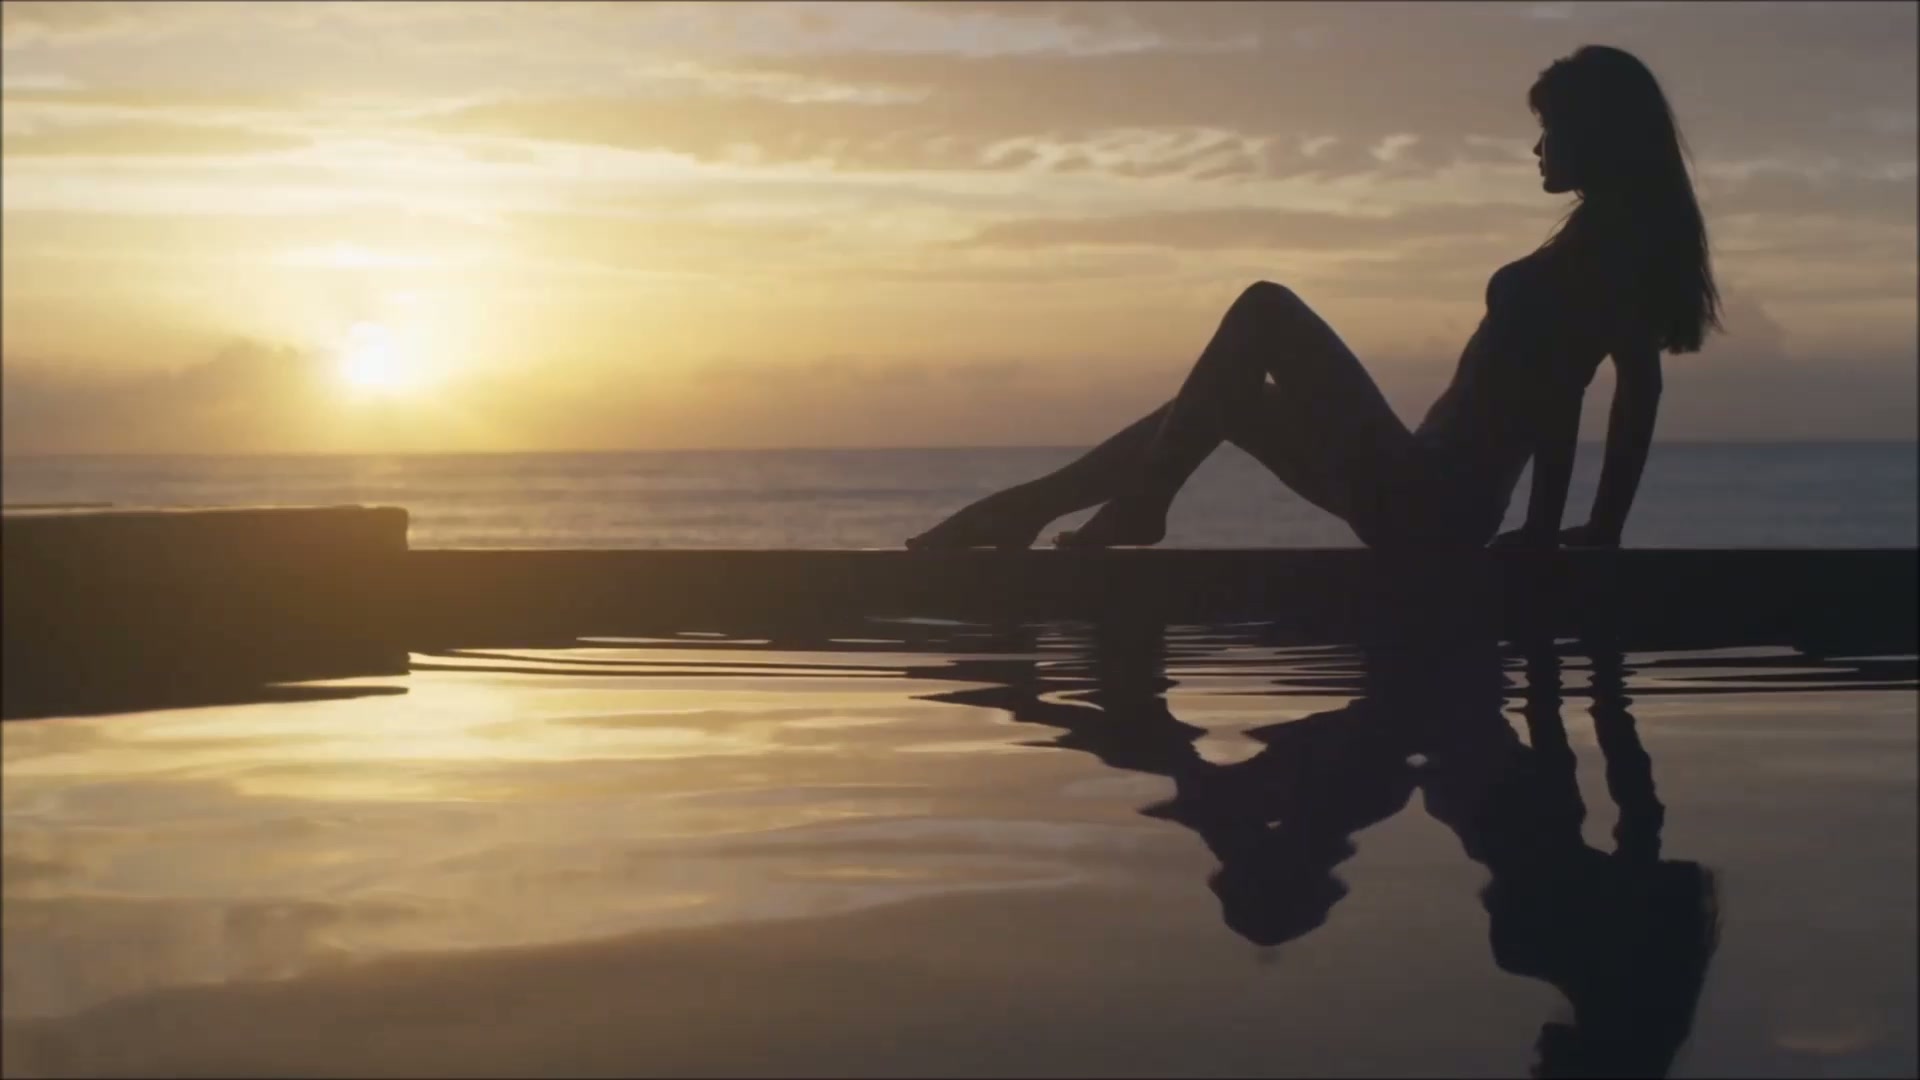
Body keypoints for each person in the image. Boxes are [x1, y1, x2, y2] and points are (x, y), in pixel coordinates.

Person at [907, 45, 1722, 552]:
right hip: (1428, 495)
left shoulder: (1608, 254)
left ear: (1597, 134)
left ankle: (1126, 506)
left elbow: (1603, 395)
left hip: (1429, 501)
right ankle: (1027, 509)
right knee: (1225, 399)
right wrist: (1557, 527)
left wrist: (1572, 531)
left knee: (1265, 307)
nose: (1537, 148)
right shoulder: (1597, 244)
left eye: (1551, 129)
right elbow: (1565, 393)